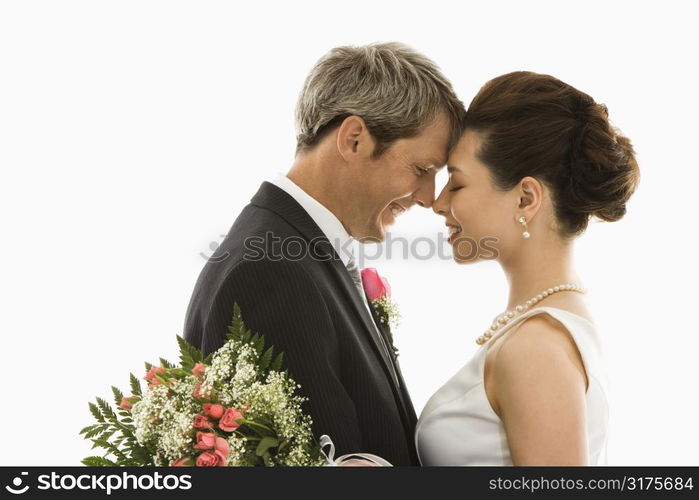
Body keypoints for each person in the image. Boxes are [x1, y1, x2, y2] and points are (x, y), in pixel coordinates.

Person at [183, 42, 465, 466]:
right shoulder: (270, 272)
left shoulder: (294, 252)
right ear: (354, 139)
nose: (428, 197)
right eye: (422, 170)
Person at [416, 71, 640, 465]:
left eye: (457, 184)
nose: (437, 203)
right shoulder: (546, 326)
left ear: (525, 199)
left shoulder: (535, 347)